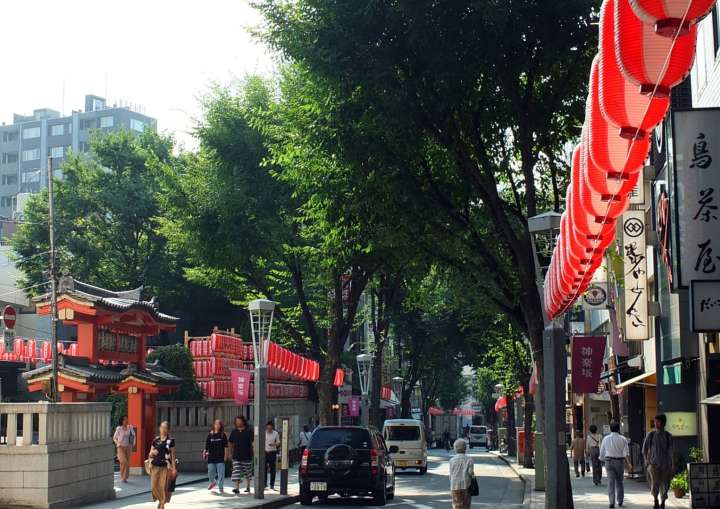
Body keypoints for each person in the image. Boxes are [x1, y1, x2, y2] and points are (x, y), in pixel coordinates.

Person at [642, 414, 674, 509]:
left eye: (658, 422)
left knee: (666, 485)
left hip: (666, 465)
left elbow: (671, 450)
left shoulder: (669, 436)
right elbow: (644, 449)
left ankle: (663, 501)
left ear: (663, 423)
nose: (655, 423)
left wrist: (673, 464)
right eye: (655, 421)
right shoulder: (651, 435)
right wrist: (646, 461)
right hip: (654, 465)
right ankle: (655, 500)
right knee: (655, 484)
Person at [599, 421, 632, 509]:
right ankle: (620, 501)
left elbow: (602, 451)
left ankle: (611, 502)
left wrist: (601, 459)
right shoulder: (623, 439)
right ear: (618, 429)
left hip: (609, 461)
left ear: (610, 429)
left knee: (610, 482)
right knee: (619, 482)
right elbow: (626, 453)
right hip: (620, 462)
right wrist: (629, 464)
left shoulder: (605, 439)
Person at [149, 421, 177, 509]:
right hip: (155, 465)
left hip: (165, 467)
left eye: (165, 428)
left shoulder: (170, 441)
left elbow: (173, 455)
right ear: (159, 428)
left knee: (162, 487)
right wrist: (153, 453)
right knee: (154, 487)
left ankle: (162, 504)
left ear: (168, 430)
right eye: (162, 427)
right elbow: (150, 454)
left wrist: (174, 468)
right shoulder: (155, 440)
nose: (163, 429)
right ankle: (162, 500)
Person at [228, 416, 253, 495]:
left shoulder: (249, 431)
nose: (238, 422)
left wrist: (254, 453)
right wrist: (230, 453)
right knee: (236, 471)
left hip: (247, 455)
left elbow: (253, 443)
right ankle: (237, 488)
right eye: (237, 421)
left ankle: (248, 486)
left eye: (239, 421)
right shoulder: (234, 431)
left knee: (247, 472)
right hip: (236, 455)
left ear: (243, 421)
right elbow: (231, 443)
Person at [448, 439, 474, 509]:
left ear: (455, 448)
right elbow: (470, 473)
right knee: (466, 505)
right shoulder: (469, 459)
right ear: (465, 448)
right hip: (466, 485)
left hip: (455, 486)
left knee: (457, 505)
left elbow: (451, 475)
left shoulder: (452, 460)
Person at [204, 419, 228, 494]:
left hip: (220, 457)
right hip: (211, 457)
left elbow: (226, 447)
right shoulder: (210, 435)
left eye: (219, 424)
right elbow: (206, 446)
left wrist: (226, 456)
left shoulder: (223, 435)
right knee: (210, 472)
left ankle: (221, 487)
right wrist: (205, 452)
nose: (217, 426)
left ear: (220, 426)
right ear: (213, 425)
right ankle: (213, 482)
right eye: (216, 424)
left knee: (221, 474)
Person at [113, 415, 135, 483]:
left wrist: (132, 444)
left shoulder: (130, 427)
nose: (126, 420)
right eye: (125, 419)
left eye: (127, 419)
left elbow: (134, 435)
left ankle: (125, 477)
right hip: (120, 447)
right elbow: (114, 438)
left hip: (128, 447)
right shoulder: (119, 428)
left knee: (127, 462)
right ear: (122, 421)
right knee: (123, 461)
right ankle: (123, 476)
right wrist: (118, 443)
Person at [265, 421, 281, 490]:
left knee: (272, 469)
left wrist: (274, 444)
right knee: (264, 469)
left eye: (270, 428)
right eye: (268, 428)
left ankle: (272, 484)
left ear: (272, 428)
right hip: (265, 452)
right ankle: (264, 483)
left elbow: (278, 443)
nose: (269, 430)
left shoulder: (275, 433)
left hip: (272, 452)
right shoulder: (264, 433)